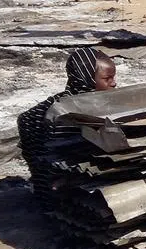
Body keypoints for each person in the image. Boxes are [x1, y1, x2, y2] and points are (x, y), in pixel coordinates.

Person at [17, 48, 116, 208]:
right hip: (63, 187)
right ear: (86, 78)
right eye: (107, 78)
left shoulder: (99, 102)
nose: (114, 83)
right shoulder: (63, 112)